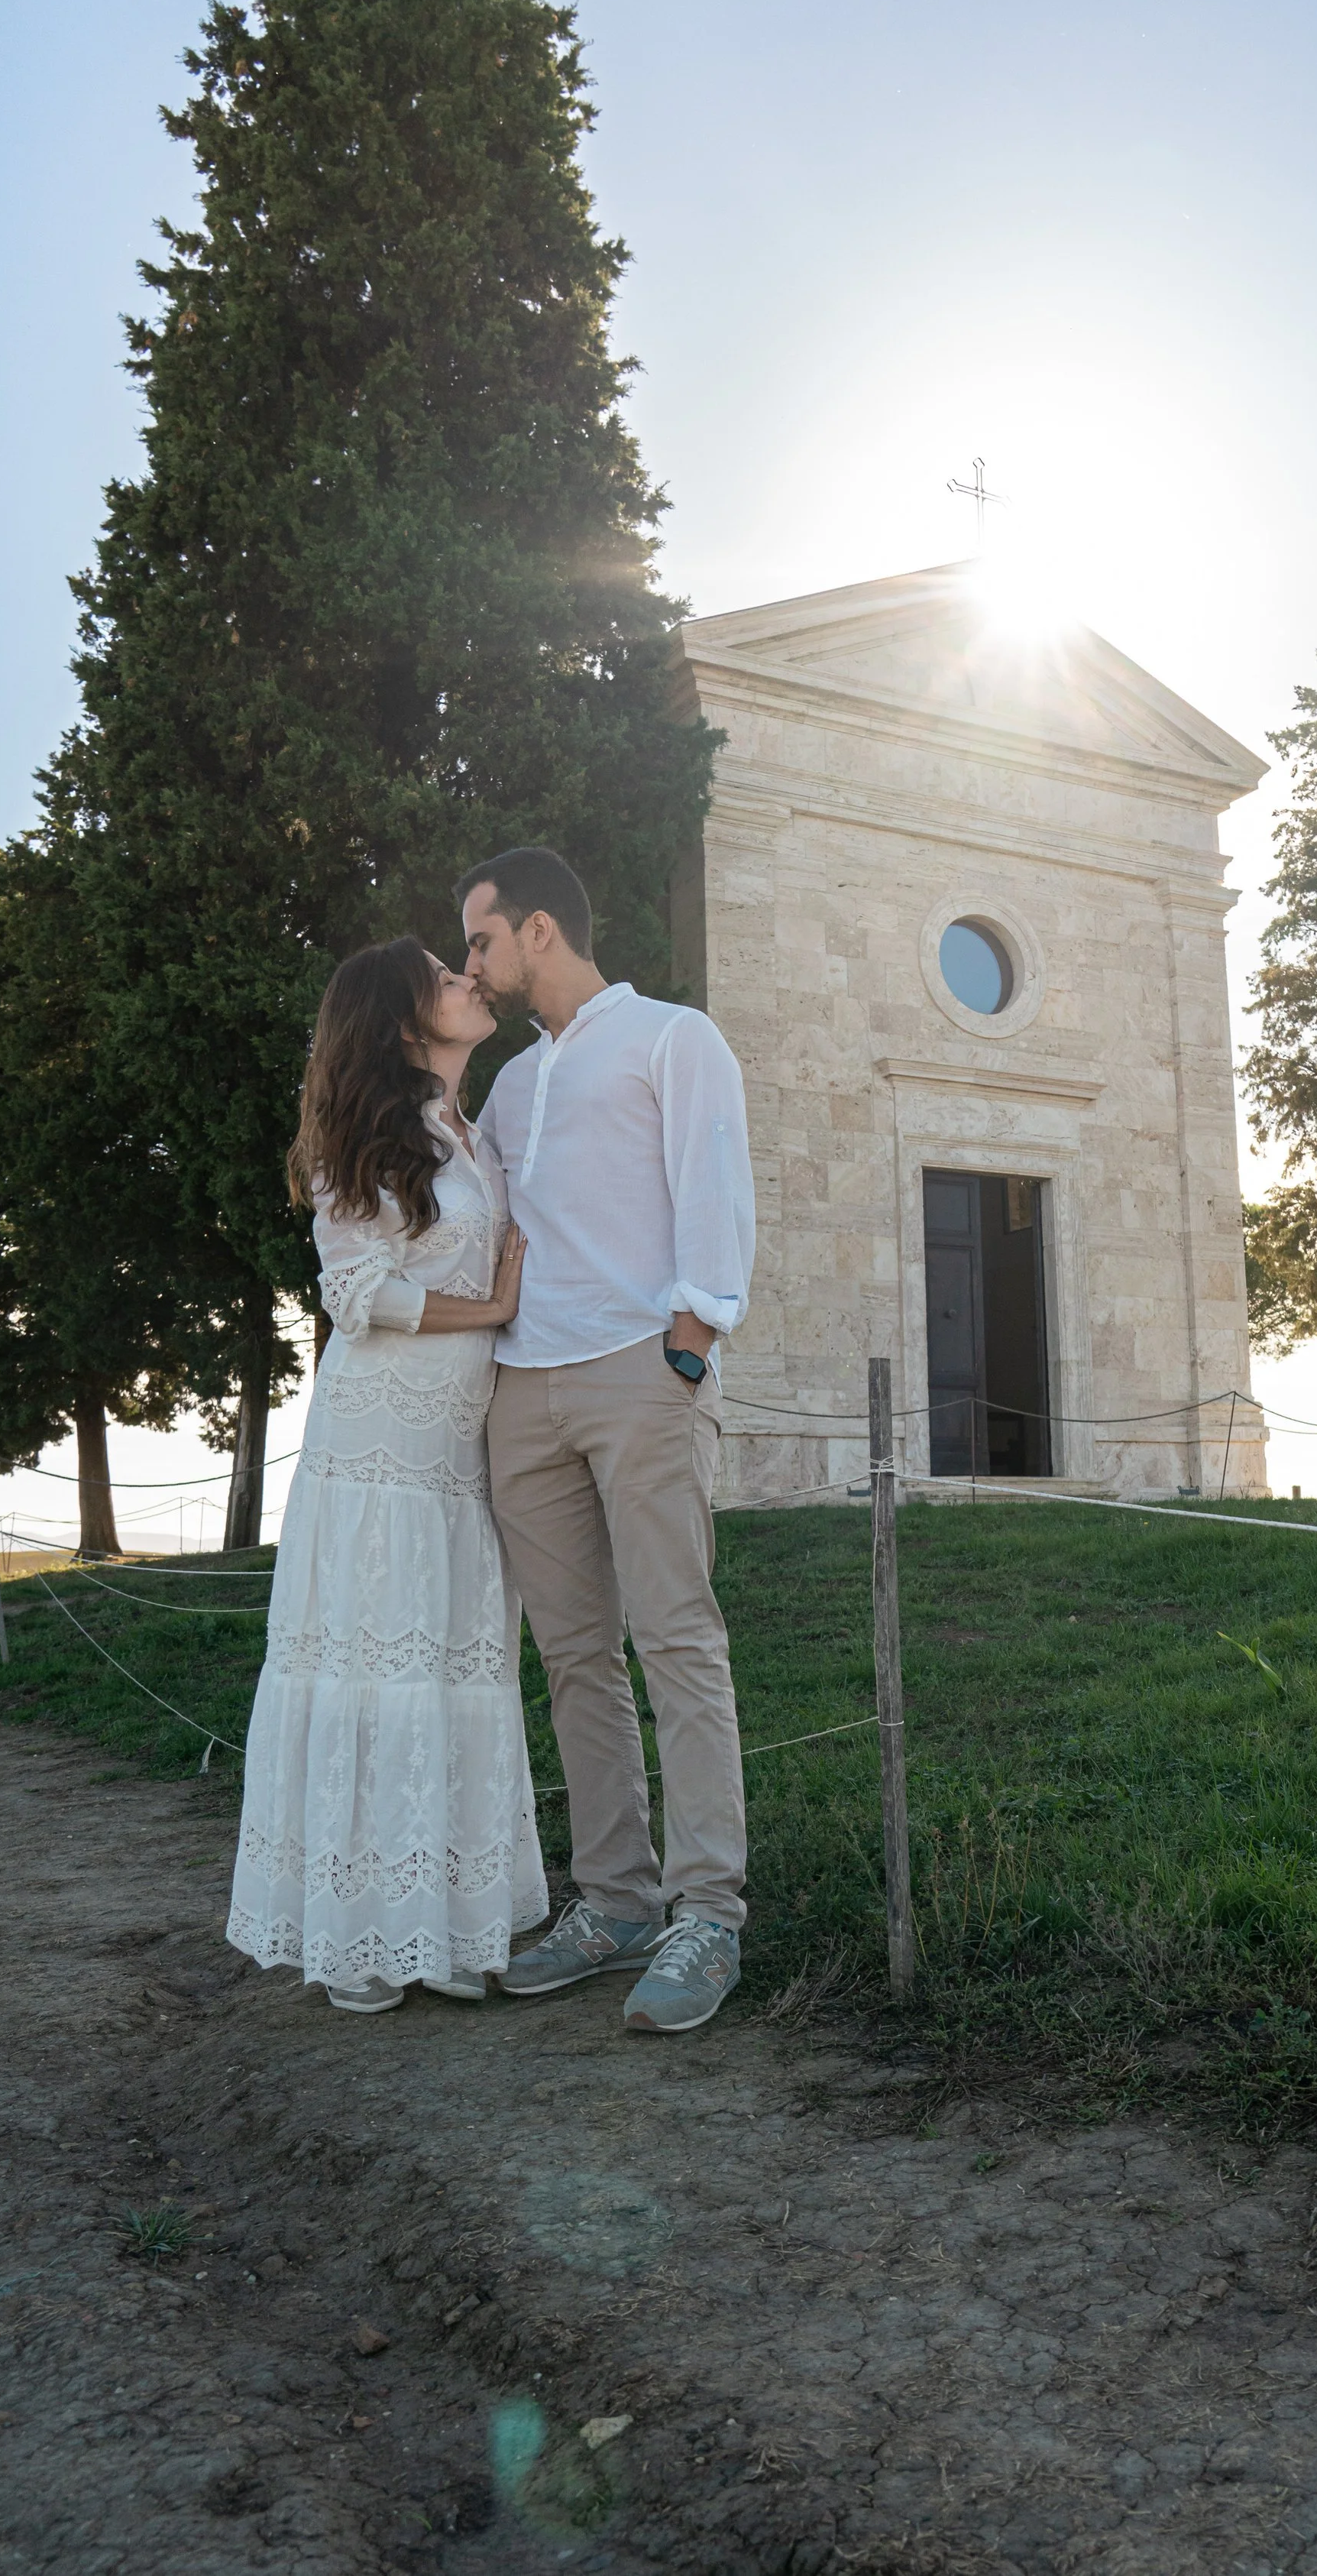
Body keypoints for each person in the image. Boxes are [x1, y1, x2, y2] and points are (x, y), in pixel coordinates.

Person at [458, 845, 755, 2033]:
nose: (471, 965)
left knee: (675, 1636)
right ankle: (615, 1901)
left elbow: (714, 1182)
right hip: (524, 1392)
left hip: (641, 1367)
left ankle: (709, 1914)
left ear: (538, 929)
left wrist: (692, 1331)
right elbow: (470, 1214)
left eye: (479, 940)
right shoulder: (513, 1088)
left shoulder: (674, 1039)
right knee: (575, 1658)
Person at [226, 938, 546, 2014]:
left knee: (455, 1664)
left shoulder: (475, 1127)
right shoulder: (366, 1134)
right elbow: (356, 1296)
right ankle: (365, 1938)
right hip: (378, 1446)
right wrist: (493, 1309)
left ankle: (444, 1928)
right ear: (405, 1023)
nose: (470, 981)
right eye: (444, 979)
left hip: (462, 1442)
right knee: (378, 1667)